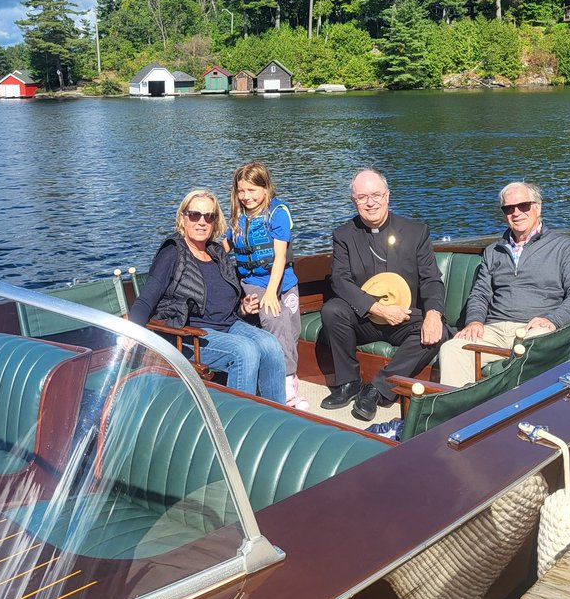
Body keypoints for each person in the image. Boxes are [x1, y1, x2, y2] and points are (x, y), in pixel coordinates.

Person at [128, 188, 286, 404]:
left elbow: (224, 303)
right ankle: (239, 426)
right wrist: (131, 333)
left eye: (209, 216)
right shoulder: (172, 253)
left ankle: (276, 415)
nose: (202, 222)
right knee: (245, 352)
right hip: (190, 335)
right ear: (183, 218)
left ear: (215, 222)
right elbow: (146, 299)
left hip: (228, 325)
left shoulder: (216, 253)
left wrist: (243, 307)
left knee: (271, 345)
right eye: (195, 215)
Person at [320, 169, 449, 422]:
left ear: (387, 196)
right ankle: (348, 383)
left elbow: (431, 279)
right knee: (332, 310)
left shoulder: (415, 232)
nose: (370, 202)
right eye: (362, 197)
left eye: (376, 195)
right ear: (354, 201)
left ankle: (377, 389)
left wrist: (434, 313)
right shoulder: (344, 235)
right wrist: (376, 308)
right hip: (366, 319)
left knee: (438, 332)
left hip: (403, 318)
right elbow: (341, 281)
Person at [438, 181, 570, 386]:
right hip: (494, 329)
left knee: (533, 343)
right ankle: (461, 416)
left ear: (538, 207)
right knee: (452, 348)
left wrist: (552, 320)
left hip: (536, 328)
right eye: (508, 208)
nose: (516, 212)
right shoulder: (494, 251)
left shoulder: (564, 247)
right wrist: (474, 321)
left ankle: (517, 411)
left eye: (523, 206)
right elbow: (480, 294)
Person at [227, 162, 307, 410]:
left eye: (252, 190)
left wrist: (274, 290)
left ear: (265, 188)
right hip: (254, 283)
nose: (246, 197)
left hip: (283, 282)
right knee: (275, 320)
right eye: (241, 191)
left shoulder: (277, 212)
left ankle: (289, 378)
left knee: (291, 330)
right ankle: (286, 394)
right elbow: (226, 247)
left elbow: (280, 257)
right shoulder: (239, 218)